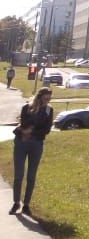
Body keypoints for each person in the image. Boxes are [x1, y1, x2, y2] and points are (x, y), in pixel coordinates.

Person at [11, 87, 54, 217]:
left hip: (36, 144)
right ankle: (16, 202)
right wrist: (36, 111)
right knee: (18, 175)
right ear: (39, 97)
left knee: (31, 176)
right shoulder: (27, 107)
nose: (47, 101)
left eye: (49, 99)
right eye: (45, 98)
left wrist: (32, 130)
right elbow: (24, 123)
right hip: (21, 143)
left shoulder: (49, 110)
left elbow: (46, 129)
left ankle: (26, 205)